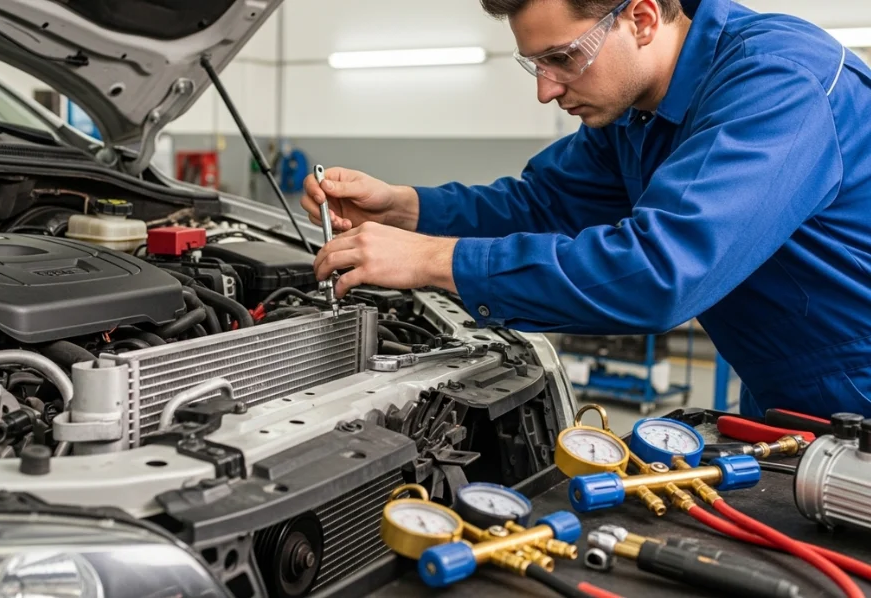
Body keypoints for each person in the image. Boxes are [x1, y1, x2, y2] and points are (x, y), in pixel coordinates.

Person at [300, 0, 871, 420]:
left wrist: (433, 260)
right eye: (535, 64)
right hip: (786, 399)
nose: (547, 90)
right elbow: (542, 204)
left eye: (563, 57)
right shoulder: (635, 107)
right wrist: (406, 209)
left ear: (642, 19)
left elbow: (658, 272)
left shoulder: (776, 84)